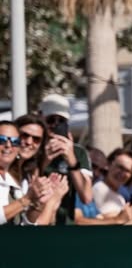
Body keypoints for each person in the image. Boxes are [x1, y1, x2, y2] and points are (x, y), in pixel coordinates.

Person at [38, 93, 93, 226]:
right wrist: (45, 159)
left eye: (61, 121)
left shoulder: (78, 152)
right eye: (51, 120)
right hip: (37, 222)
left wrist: (71, 159)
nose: (55, 125)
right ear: (41, 119)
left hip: (65, 224)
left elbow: (86, 197)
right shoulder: (33, 147)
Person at [0, 121, 26, 226]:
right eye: (1, 140)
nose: (8, 145)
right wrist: (26, 200)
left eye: (15, 142)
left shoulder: (14, 183)